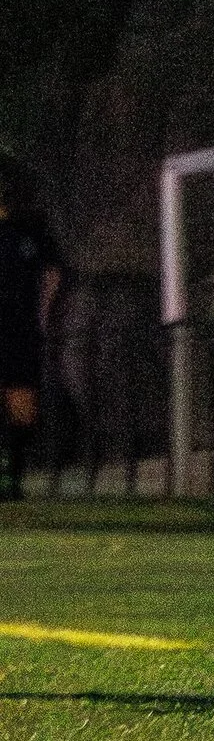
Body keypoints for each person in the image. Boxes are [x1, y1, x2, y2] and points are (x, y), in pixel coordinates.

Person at [0, 162, 63, 499]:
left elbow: (53, 270)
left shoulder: (31, 229)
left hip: (19, 325)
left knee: (23, 400)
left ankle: (14, 474)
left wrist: (41, 312)